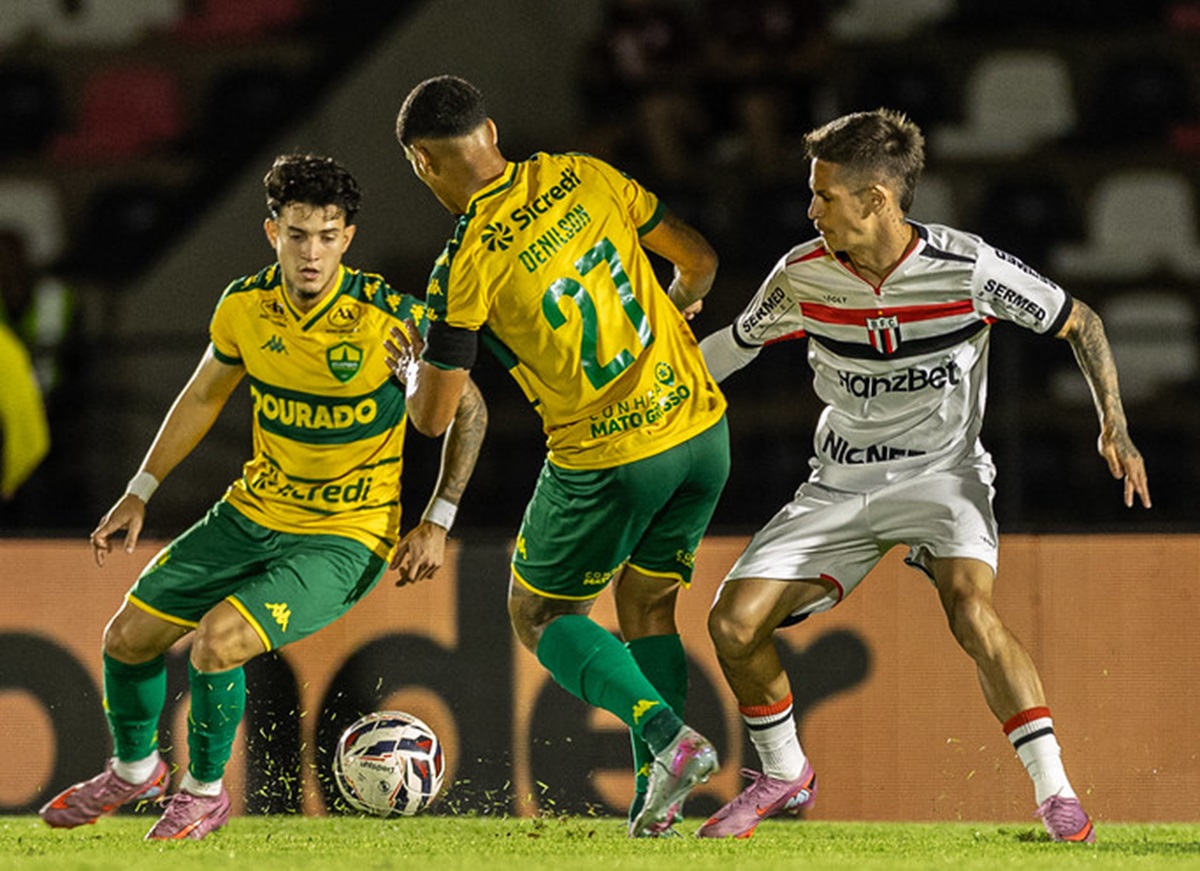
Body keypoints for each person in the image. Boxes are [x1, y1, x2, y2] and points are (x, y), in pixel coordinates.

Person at [696, 109, 1151, 842]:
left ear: (876, 199)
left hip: (943, 477)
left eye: (823, 196)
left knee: (971, 609)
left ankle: (1056, 793)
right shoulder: (802, 275)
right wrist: (644, 391)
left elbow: (1081, 322)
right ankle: (785, 772)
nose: (810, 211)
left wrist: (1114, 424)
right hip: (839, 481)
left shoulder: (969, 268)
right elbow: (735, 346)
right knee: (732, 624)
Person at [38, 153, 487, 840]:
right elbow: (202, 397)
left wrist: (437, 519)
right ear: (272, 231)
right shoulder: (244, 307)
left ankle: (203, 793)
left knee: (218, 640)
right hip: (252, 511)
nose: (312, 253)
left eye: (328, 236)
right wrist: (139, 489)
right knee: (126, 638)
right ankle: (134, 770)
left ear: (348, 238)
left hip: (346, 533)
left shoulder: (389, 320)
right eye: (298, 234)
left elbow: (470, 409)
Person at [388, 75, 728, 837]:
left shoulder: (464, 264)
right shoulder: (585, 174)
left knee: (539, 613)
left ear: (422, 162)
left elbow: (434, 418)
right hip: (702, 429)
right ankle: (659, 798)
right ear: (492, 131)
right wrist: (669, 308)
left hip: (612, 456)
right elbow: (701, 261)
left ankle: (667, 736)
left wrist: (410, 369)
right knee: (647, 605)